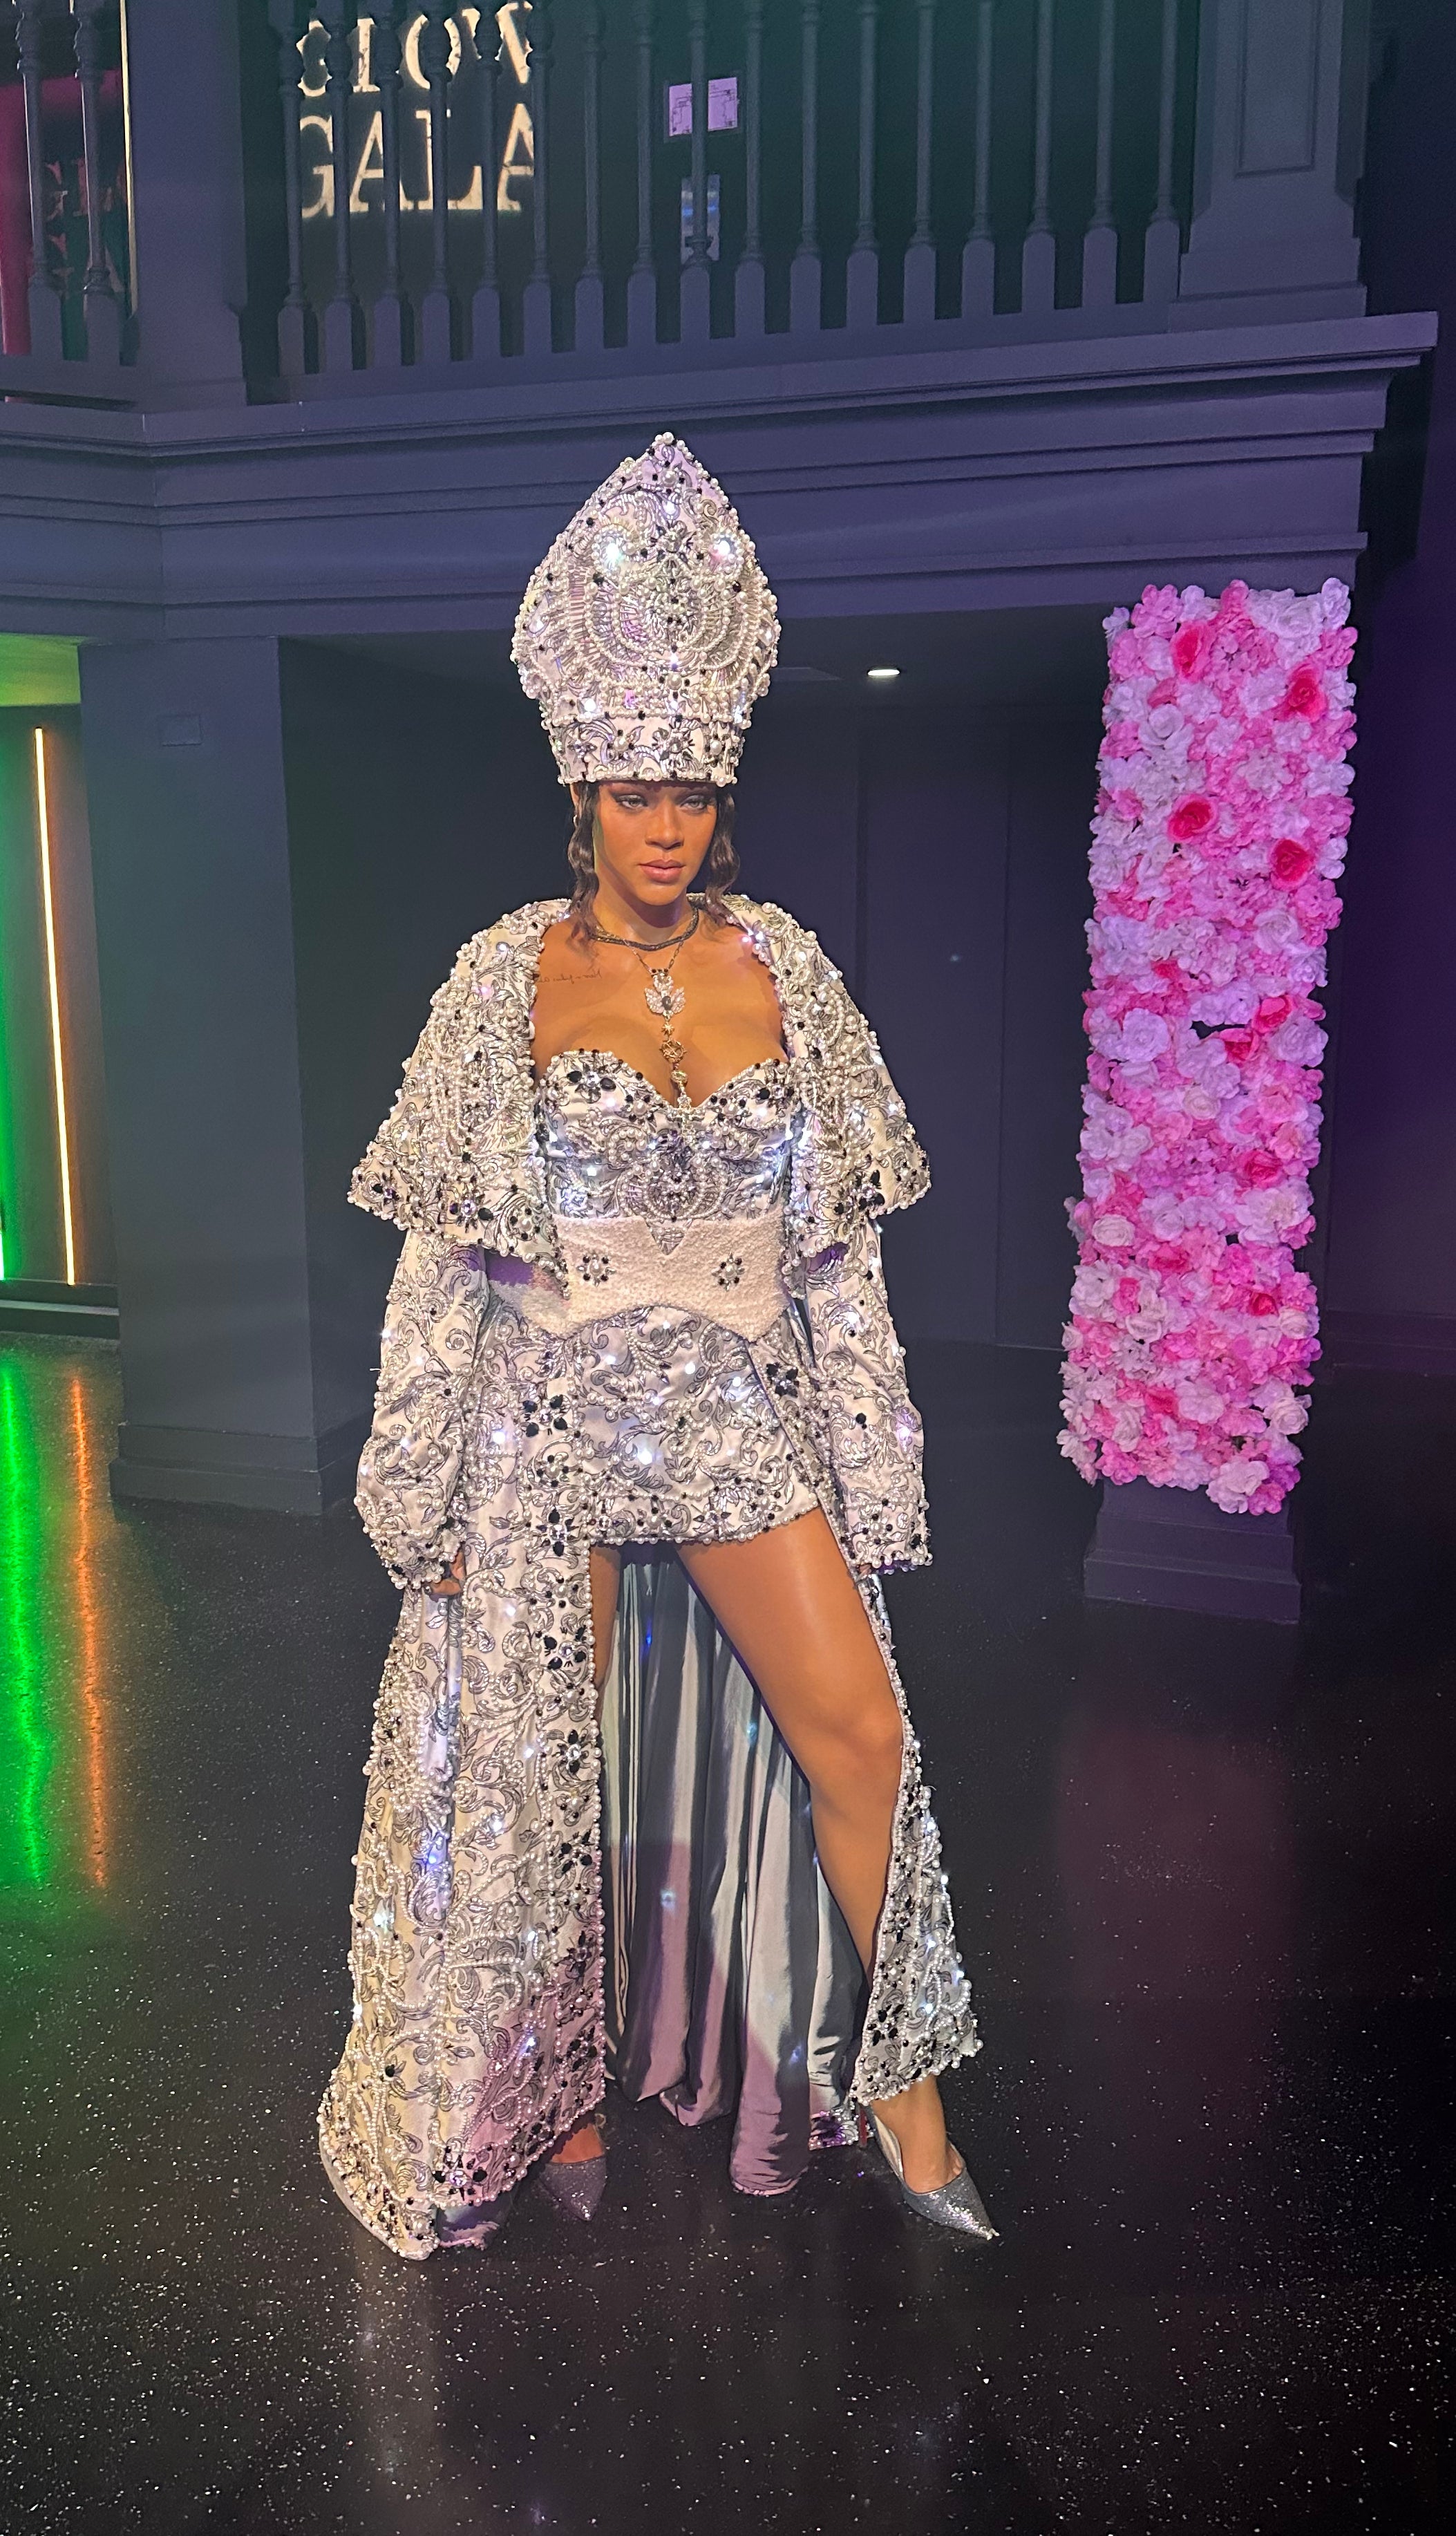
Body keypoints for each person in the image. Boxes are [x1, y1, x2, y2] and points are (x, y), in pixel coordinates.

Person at [319, 433, 994, 2259]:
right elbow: (441, 1270)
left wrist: (873, 1475)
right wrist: (417, 1484)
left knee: (854, 1732)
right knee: (552, 1795)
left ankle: (902, 2091)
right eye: (633, 786)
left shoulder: (789, 969)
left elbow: (837, 1261)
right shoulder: (500, 979)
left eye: (690, 783)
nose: (666, 817)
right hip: (545, 1427)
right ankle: (544, 2098)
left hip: (732, 1419)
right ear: (580, 792)